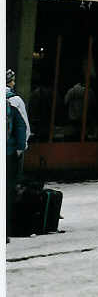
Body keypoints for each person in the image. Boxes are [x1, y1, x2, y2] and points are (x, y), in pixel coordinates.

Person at [7, 69, 28, 243]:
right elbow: (23, 128)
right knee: (7, 190)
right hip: (9, 153)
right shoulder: (14, 101)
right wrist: (21, 148)